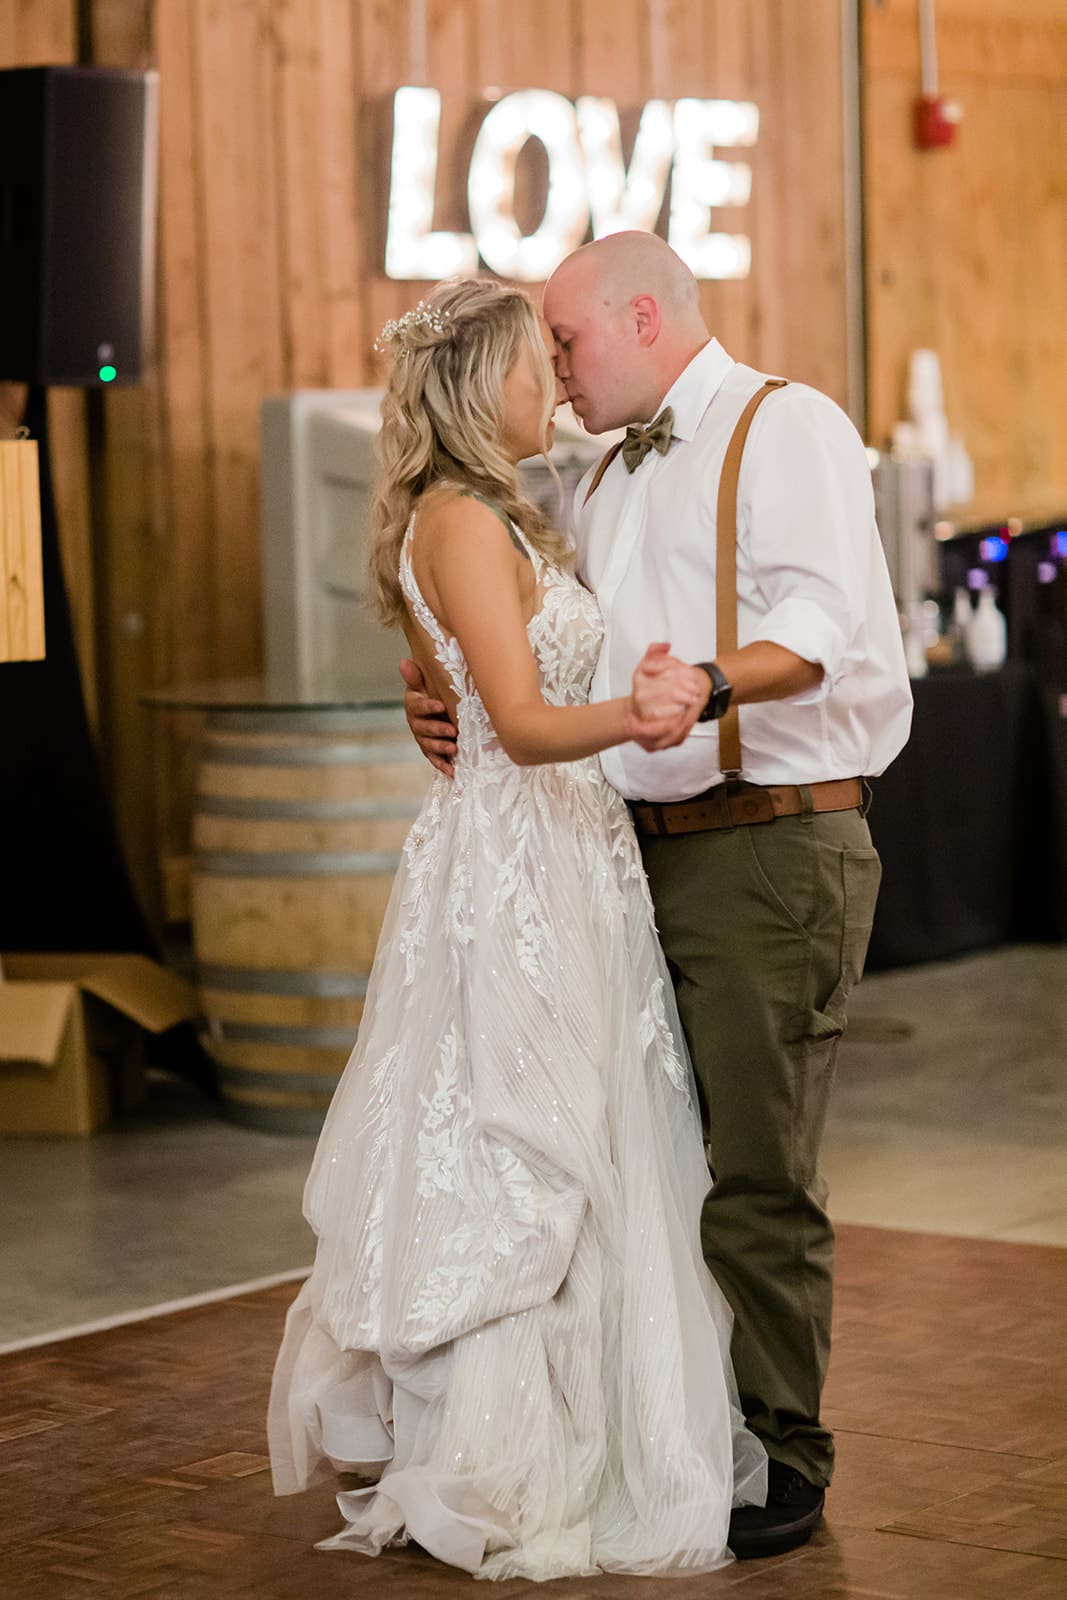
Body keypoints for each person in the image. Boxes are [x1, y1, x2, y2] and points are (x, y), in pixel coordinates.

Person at [402, 233, 914, 1561]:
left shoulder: (784, 425)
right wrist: (446, 688)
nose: (559, 376)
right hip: (625, 852)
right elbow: (552, 650)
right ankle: (685, 1436)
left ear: (642, 315)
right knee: (647, 1165)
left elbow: (825, 624)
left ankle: (783, 1451)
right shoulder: (600, 478)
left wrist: (716, 686)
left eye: (567, 343)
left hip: (766, 847)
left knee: (753, 1169)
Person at [268, 276, 768, 1582]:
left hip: (558, 854)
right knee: (523, 1151)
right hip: (520, 863)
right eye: (528, 359)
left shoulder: (499, 516)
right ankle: (506, 1455)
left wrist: (441, 704)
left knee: (587, 1137)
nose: (548, 376)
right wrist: (646, 713)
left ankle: (583, 1430)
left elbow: (459, 695)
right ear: (478, 383)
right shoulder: (463, 522)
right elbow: (526, 722)